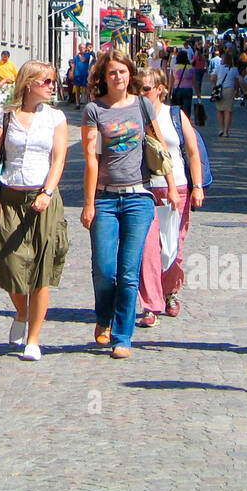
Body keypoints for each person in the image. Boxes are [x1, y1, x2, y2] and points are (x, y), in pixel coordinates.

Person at [81, 49, 181, 359]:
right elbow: (91, 158)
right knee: (104, 270)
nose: (118, 77)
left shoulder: (142, 106)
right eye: (112, 72)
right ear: (103, 76)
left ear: (130, 75)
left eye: (123, 72)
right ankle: (104, 318)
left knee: (128, 272)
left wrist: (172, 186)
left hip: (140, 196)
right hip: (106, 198)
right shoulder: (94, 111)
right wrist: (89, 203)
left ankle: (122, 337)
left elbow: (158, 145)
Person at [0, 61, 68, 362]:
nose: (51, 85)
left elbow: (58, 160)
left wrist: (47, 192)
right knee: (8, 260)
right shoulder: (4, 116)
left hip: (43, 198)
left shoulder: (56, 118)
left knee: (41, 269)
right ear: (28, 83)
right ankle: (22, 311)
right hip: (9, 197)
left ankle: (33, 339)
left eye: (52, 81)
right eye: (46, 81)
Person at [136, 68, 204, 325]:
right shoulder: (135, 115)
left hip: (179, 188)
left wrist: (197, 186)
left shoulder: (175, 115)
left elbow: (193, 152)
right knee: (148, 249)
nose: (141, 94)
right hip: (144, 189)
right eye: (138, 88)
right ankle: (151, 305)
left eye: (146, 89)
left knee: (173, 248)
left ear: (160, 89)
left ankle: (170, 292)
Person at [212, 49, 239, 137]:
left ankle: (221, 128)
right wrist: (237, 91)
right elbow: (236, 81)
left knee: (219, 110)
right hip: (230, 89)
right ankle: (226, 131)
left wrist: (216, 83)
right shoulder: (234, 69)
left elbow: (212, 78)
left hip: (220, 89)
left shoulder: (219, 67)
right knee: (228, 111)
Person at [170, 49, 197, 117]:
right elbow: (194, 82)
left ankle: (178, 123)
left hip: (177, 89)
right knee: (187, 109)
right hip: (188, 89)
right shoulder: (190, 68)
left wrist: (169, 92)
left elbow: (171, 81)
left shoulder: (174, 68)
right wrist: (198, 93)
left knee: (177, 109)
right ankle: (186, 122)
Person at [73, 41, 94, 105]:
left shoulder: (87, 55)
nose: (82, 49)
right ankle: (77, 104)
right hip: (77, 74)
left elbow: (84, 60)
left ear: (85, 48)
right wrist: (73, 72)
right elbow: (74, 64)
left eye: (83, 48)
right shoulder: (76, 56)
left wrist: (80, 56)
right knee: (77, 89)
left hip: (84, 74)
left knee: (86, 89)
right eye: (80, 47)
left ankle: (86, 102)